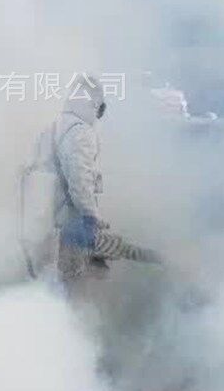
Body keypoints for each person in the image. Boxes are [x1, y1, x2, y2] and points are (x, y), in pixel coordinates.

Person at [50, 74, 161, 286]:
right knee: (76, 277)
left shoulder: (61, 125)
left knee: (71, 274)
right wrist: (91, 215)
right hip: (74, 221)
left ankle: (68, 298)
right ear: (94, 105)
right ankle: (74, 302)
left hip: (62, 219)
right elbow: (80, 180)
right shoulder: (81, 133)